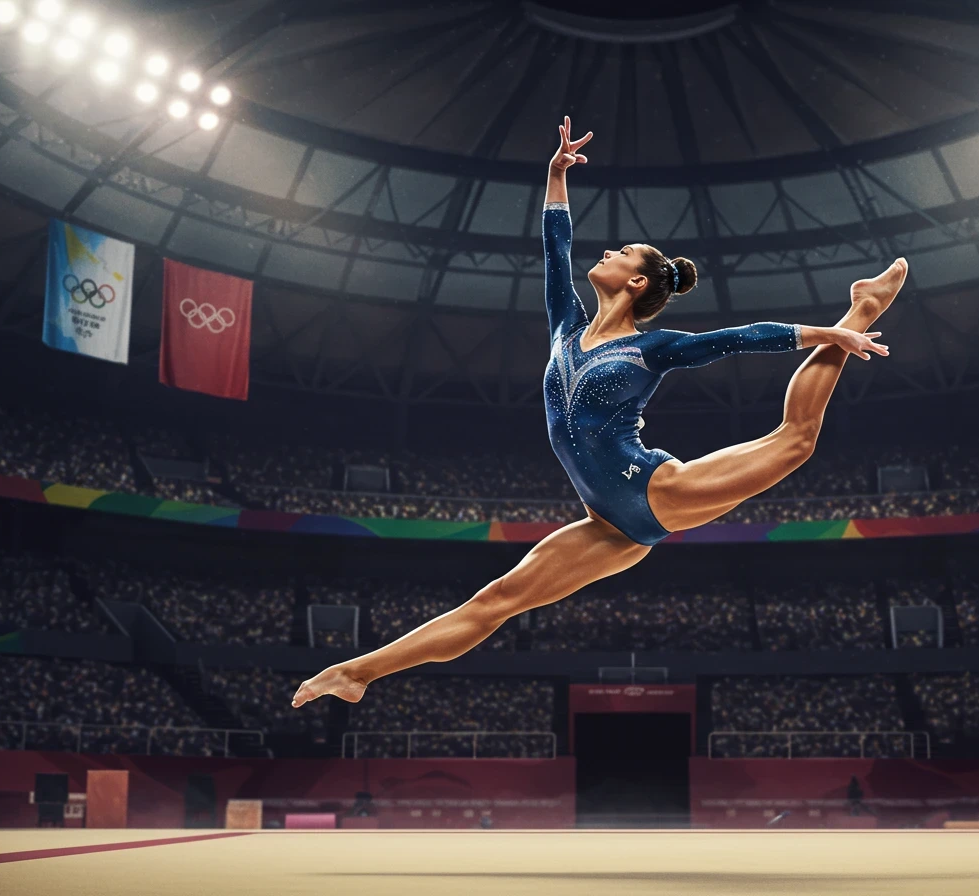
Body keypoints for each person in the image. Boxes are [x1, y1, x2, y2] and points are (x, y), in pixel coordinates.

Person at [292, 115, 905, 708]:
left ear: (637, 284)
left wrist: (828, 332)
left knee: (795, 440)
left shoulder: (653, 347)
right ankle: (355, 673)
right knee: (496, 601)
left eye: (624, 252)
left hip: (655, 490)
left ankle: (860, 312)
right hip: (607, 526)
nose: (609, 251)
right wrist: (558, 175)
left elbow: (736, 338)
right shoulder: (566, 326)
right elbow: (554, 249)